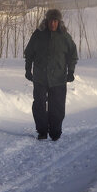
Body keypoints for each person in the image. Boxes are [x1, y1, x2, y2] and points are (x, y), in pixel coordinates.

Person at [24, 8, 78, 140]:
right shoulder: (38, 35)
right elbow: (29, 53)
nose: (53, 24)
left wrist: (70, 71)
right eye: (50, 21)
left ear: (59, 22)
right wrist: (27, 70)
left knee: (57, 106)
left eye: (55, 21)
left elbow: (73, 55)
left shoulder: (65, 37)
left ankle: (55, 131)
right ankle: (42, 131)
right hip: (40, 78)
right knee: (39, 105)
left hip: (59, 78)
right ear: (46, 21)